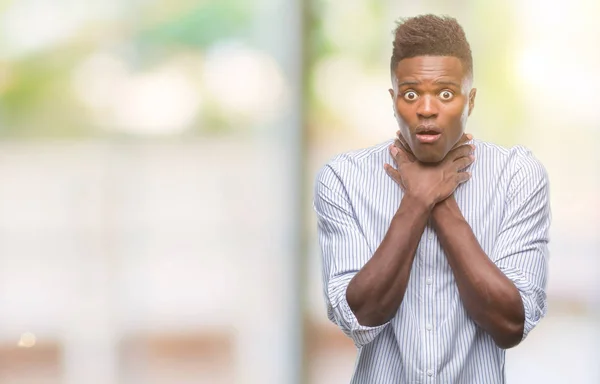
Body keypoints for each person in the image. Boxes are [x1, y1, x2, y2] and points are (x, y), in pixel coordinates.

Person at [313, 14, 550, 383]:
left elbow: (511, 323)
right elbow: (358, 317)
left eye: (445, 93)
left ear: (470, 100)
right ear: (393, 101)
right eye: (411, 94)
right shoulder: (343, 178)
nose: (426, 109)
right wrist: (415, 202)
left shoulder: (517, 175)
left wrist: (438, 201)